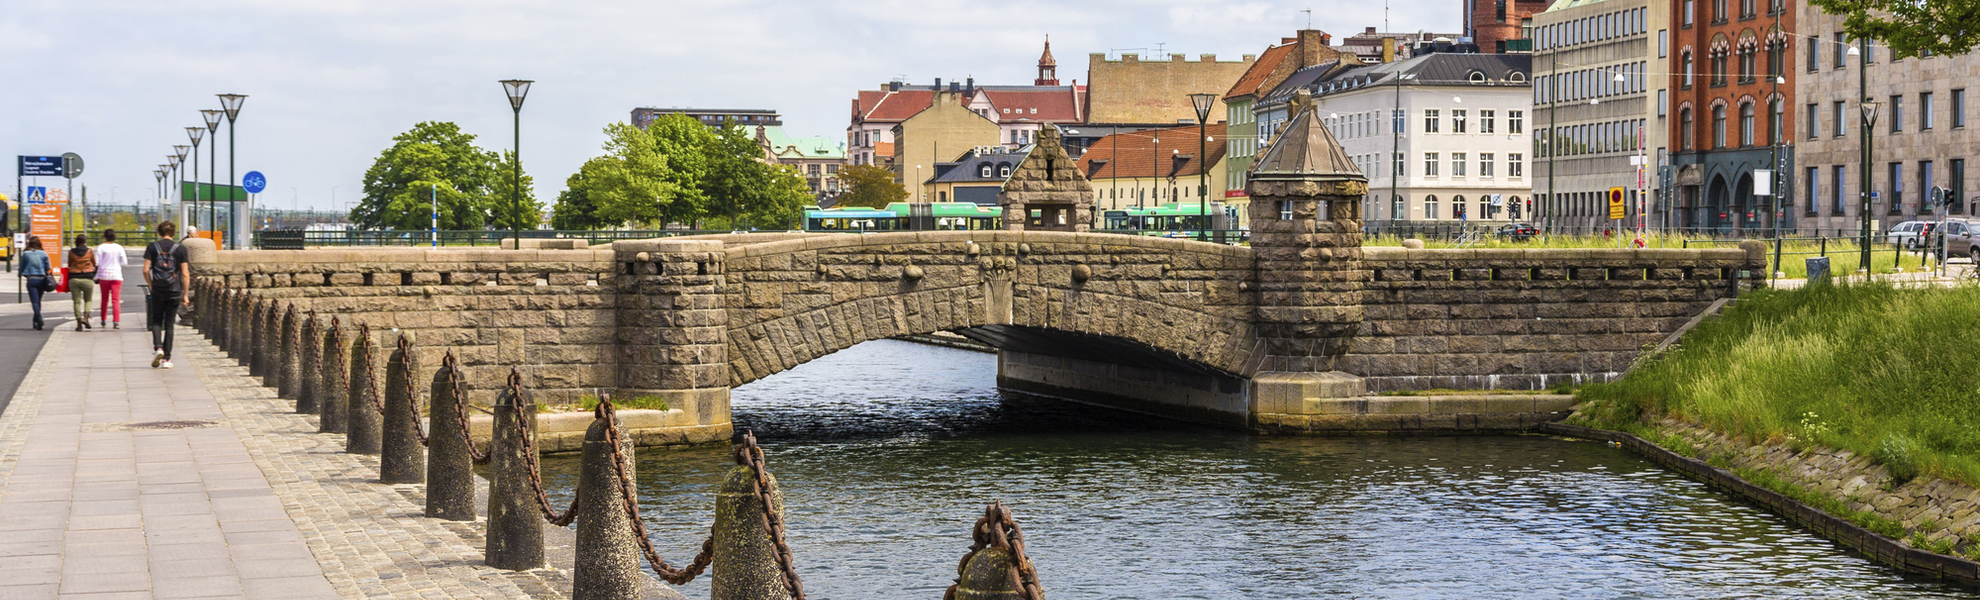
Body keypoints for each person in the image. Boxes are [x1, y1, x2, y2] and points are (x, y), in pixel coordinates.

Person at [143, 221, 191, 369]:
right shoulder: (180, 248)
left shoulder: (152, 247)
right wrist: (185, 294)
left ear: (159, 232)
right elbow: (184, 273)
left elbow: (145, 270)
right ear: (174, 232)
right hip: (174, 289)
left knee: (156, 320)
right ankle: (166, 359)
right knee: (169, 323)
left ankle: (158, 348)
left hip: (158, 289)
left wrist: (152, 285)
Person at [17, 236, 51, 330]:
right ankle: (36, 320)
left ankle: (38, 318)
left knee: (34, 301)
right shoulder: (43, 253)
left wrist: (20, 274)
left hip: (31, 279)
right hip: (41, 279)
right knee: (38, 300)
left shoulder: (26, 254)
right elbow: (48, 267)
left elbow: (21, 266)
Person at [95, 229, 127, 329]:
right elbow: (124, 262)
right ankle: (116, 321)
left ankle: (103, 319)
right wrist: (117, 263)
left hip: (104, 275)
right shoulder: (119, 247)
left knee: (104, 299)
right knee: (116, 300)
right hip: (116, 275)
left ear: (104, 236)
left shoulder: (101, 248)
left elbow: (97, 262)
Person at [66, 234, 97, 332]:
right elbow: (94, 263)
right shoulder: (89, 251)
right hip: (87, 277)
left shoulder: (71, 252)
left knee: (77, 301)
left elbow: (69, 264)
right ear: (85, 241)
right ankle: (86, 318)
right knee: (88, 300)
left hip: (74, 277)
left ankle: (79, 324)